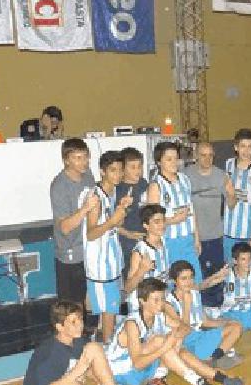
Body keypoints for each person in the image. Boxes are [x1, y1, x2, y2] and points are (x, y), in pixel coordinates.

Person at [104, 278, 246, 385]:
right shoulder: (132, 324)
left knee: (179, 349)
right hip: (124, 371)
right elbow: (137, 364)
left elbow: (185, 328)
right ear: (142, 301)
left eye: (162, 299)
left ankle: (225, 381)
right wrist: (167, 345)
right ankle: (198, 382)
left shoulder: (158, 315)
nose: (161, 304)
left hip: (145, 365)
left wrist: (175, 338)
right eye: (156, 300)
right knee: (161, 341)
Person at [20, 300, 141, 385]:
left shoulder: (77, 340)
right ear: (60, 327)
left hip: (62, 381)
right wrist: (79, 372)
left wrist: (102, 382)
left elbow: (89, 366)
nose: (80, 325)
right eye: (73, 322)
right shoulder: (51, 353)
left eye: (80, 319)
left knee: (93, 347)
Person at [82, 151, 131, 344]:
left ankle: (103, 341)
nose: (118, 174)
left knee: (110, 307)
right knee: (109, 309)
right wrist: (113, 221)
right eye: (113, 170)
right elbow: (91, 233)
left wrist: (121, 212)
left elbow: (113, 224)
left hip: (112, 259)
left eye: (120, 170)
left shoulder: (113, 191)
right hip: (100, 265)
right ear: (102, 172)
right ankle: (108, 348)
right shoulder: (96, 198)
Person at [164, 260, 244, 368]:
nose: (189, 282)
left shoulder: (194, 292)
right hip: (186, 343)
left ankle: (212, 359)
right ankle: (212, 358)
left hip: (200, 336)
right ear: (174, 281)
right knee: (229, 339)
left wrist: (228, 323)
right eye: (184, 278)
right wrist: (186, 305)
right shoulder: (169, 303)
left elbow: (204, 321)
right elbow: (183, 331)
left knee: (236, 326)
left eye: (191, 277)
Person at [50, 138, 98, 310]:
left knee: (91, 297)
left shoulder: (88, 176)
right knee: (71, 306)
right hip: (70, 252)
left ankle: (90, 330)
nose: (84, 162)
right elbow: (64, 227)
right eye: (78, 158)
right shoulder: (59, 186)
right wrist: (85, 208)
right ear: (66, 160)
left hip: (89, 247)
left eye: (85, 157)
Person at [147, 141, 203, 283]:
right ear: (159, 162)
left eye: (176, 158)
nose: (174, 162)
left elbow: (192, 210)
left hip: (188, 240)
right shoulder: (156, 185)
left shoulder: (184, 179)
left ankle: (194, 306)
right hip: (169, 241)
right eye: (169, 159)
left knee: (194, 281)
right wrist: (173, 220)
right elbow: (152, 221)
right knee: (175, 283)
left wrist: (197, 237)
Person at [185, 142, 229, 307]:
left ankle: (215, 306)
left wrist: (232, 195)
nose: (207, 159)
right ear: (196, 156)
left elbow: (231, 204)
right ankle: (197, 309)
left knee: (216, 274)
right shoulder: (186, 175)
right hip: (193, 236)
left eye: (210, 155)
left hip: (215, 235)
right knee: (196, 274)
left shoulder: (221, 175)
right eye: (203, 155)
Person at [222, 128, 251, 262]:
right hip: (230, 229)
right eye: (243, 146)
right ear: (236, 147)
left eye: (249, 147)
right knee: (231, 269)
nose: (246, 150)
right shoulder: (229, 164)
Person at [124, 205, 171, 313]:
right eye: (157, 222)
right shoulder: (140, 252)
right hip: (141, 308)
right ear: (146, 225)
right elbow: (127, 288)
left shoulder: (164, 243)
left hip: (159, 302)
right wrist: (141, 271)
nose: (162, 225)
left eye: (163, 220)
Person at [116, 147, 150, 279]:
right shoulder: (118, 190)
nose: (138, 170)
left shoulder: (144, 183)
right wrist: (130, 234)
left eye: (140, 166)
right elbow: (112, 225)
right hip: (127, 245)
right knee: (131, 281)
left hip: (145, 242)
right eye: (133, 167)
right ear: (123, 170)